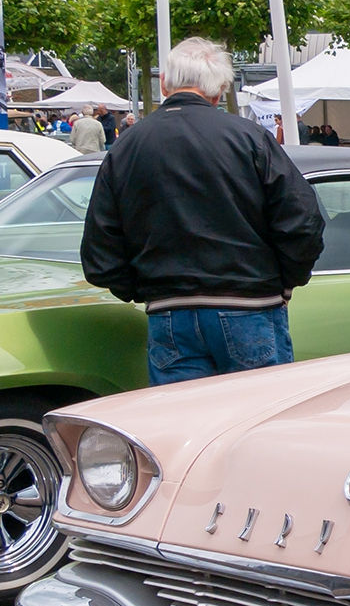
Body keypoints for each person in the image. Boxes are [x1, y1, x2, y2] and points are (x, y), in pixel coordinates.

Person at [81, 37, 325, 387]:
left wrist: (146, 289)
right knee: (254, 425)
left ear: (164, 82)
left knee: (184, 431)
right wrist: (285, 283)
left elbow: (100, 246)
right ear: (221, 89)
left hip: (170, 312)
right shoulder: (249, 138)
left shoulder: (126, 147)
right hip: (249, 304)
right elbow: (302, 220)